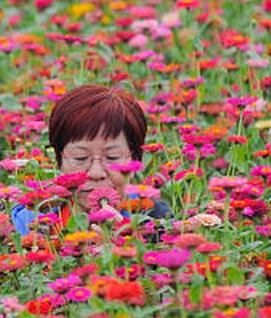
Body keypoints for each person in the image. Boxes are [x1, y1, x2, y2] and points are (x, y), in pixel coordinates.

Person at [11, 84, 171, 239]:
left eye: (113, 157)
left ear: (135, 159)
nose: (95, 173)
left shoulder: (157, 224)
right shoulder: (27, 226)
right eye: (80, 158)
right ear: (58, 160)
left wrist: (122, 249)